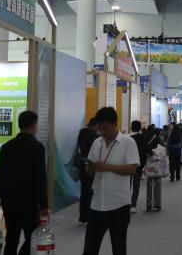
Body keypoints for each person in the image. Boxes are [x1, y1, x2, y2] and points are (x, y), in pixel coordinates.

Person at [82, 107, 139, 255]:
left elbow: (132, 169)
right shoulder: (97, 143)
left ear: (114, 124)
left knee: (118, 249)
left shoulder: (128, 142)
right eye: (99, 128)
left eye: (105, 128)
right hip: (97, 204)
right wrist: (90, 167)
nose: (102, 132)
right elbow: (89, 172)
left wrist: (106, 167)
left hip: (118, 206)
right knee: (89, 250)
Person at [0, 110, 46, 255]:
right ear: (34, 125)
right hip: (30, 202)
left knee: (11, 238)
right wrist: (44, 205)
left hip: (9, 201)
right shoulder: (38, 147)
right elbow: (41, 178)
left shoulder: (6, 147)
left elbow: (0, 175)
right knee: (32, 237)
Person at [75, 118, 99, 224]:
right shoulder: (94, 136)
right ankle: (89, 217)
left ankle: (82, 218)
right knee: (91, 192)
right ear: (96, 125)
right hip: (90, 165)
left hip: (82, 165)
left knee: (84, 192)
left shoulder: (81, 134)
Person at [129, 121, 149, 213]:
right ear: (140, 128)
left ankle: (124, 203)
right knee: (136, 185)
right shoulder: (142, 137)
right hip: (138, 164)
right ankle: (133, 205)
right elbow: (147, 148)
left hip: (126, 164)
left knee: (126, 184)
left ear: (131, 127)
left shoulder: (126, 137)